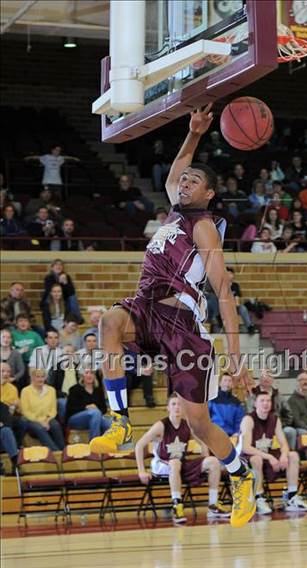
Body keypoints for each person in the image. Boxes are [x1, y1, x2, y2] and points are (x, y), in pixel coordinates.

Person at [88, 105, 256, 529]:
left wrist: (235, 357)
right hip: (146, 309)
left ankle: (241, 475)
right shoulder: (176, 213)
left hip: (183, 326)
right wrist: (195, 132)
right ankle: (120, 423)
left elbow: (222, 291)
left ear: (209, 194)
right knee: (109, 322)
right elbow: (173, 171)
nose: (184, 182)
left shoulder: (203, 228)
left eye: (194, 180)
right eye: (184, 179)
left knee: (199, 424)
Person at [135, 393, 231, 523]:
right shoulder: (161, 425)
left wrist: (204, 458)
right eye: (173, 404)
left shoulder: (187, 425)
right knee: (174, 463)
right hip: (162, 464)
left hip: (181, 464)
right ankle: (177, 505)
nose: (177, 407)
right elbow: (139, 445)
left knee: (213, 462)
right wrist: (141, 470)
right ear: (168, 407)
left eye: (179, 404)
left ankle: (213, 505)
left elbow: (203, 442)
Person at [240, 391, 307, 514]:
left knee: (293, 455)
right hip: (248, 457)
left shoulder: (275, 419)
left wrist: (284, 455)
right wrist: (269, 457)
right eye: (262, 401)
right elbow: (246, 448)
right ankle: (258, 498)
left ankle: (292, 496)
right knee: (256, 459)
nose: (265, 403)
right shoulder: (248, 419)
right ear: (255, 404)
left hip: (266, 455)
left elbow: (284, 443)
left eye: (268, 401)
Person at [246, 369, 297, 450]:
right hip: (258, 427)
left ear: (273, 379)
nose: (266, 378)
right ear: (259, 379)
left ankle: (288, 455)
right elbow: (250, 414)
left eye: (269, 376)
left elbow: (288, 414)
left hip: (277, 426)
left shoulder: (279, 396)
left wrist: (280, 425)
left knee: (290, 431)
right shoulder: (253, 395)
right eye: (264, 376)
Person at [20, 368, 65, 451]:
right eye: (37, 376)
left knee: (55, 425)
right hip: (32, 420)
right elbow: (25, 412)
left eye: (42, 376)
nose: (40, 379)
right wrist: (41, 422)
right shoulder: (25, 391)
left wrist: (47, 421)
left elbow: (53, 410)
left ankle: (64, 451)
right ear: (32, 378)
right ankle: (56, 452)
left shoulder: (51, 390)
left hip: (48, 419)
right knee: (40, 428)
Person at [65, 369, 111, 441]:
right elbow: (70, 409)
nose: (89, 375)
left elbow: (104, 409)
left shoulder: (98, 390)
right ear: (82, 376)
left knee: (109, 423)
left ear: (94, 376)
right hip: (75, 420)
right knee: (95, 413)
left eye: (92, 373)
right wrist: (86, 407)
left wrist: (96, 408)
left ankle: (106, 446)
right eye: (87, 373)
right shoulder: (74, 389)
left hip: (95, 418)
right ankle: (94, 445)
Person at [42, 259, 82, 324]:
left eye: (60, 265)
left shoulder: (67, 277)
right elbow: (50, 291)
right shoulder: (48, 277)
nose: (59, 266)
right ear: (52, 267)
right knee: (50, 297)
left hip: (63, 298)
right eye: (56, 265)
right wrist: (60, 282)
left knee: (72, 297)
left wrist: (65, 282)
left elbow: (71, 292)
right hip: (51, 298)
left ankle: (77, 318)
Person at [226, 267, 256, 334]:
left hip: (234, 305)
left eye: (230, 274)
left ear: (233, 275)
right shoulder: (222, 285)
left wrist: (237, 305)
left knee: (243, 308)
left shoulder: (235, 285)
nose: (228, 275)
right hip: (225, 306)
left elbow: (237, 296)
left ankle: (249, 326)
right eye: (226, 274)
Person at [0, 402, 19, 473]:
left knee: (6, 431)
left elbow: (7, 423)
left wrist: (2, 424)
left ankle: (15, 464)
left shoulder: (3, 406)